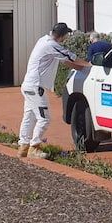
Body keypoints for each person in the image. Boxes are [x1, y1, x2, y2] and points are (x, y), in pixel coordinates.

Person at [18, 22, 88, 159]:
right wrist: (90, 65)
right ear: (62, 35)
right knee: (44, 119)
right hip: (35, 87)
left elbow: (64, 60)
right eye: (66, 35)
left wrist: (80, 68)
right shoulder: (51, 45)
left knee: (29, 117)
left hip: (28, 85)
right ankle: (34, 147)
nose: (66, 38)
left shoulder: (43, 41)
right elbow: (70, 57)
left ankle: (23, 146)